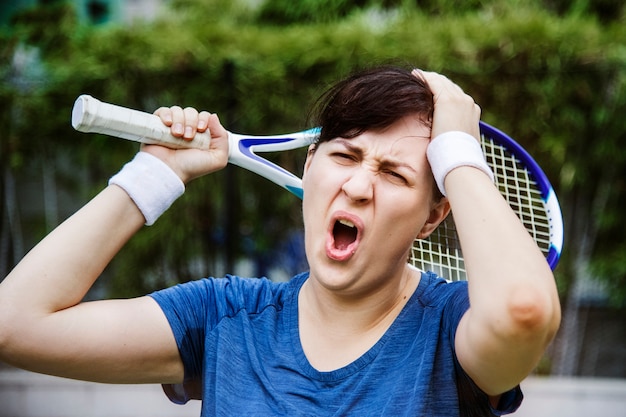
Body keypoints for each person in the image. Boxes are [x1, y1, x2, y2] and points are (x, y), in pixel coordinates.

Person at [0, 66, 561, 416]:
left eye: (396, 175)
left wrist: (460, 156)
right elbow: (14, 325)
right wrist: (151, 177)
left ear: (434, 216)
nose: (359, 185)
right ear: (310, 163)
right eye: (343, 155)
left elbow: (524, 310)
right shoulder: (225, 317)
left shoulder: (452, 329)